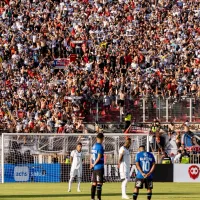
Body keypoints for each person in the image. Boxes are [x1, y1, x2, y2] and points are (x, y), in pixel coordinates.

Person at [90, 133, 104, 200]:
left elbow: (91, 156)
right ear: (102, 139)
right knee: (99, 183)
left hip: (94, 168)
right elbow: (99, 157)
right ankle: (99, 198)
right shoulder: (100, 146)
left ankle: (92, 198)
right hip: (99, 167)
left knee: (94, 183)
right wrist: (94, 164)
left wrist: (91, 164)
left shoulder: (94, 146)